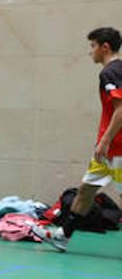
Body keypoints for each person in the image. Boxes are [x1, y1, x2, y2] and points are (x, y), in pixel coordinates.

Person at [34, 26, 122, 251]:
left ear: (105, 47)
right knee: (86, 189)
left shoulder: (110, 72)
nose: (89, 52)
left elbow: (121, 109)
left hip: (117, 148)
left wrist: (105, 141)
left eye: (92, 46)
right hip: (105, 151)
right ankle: (62, 235)